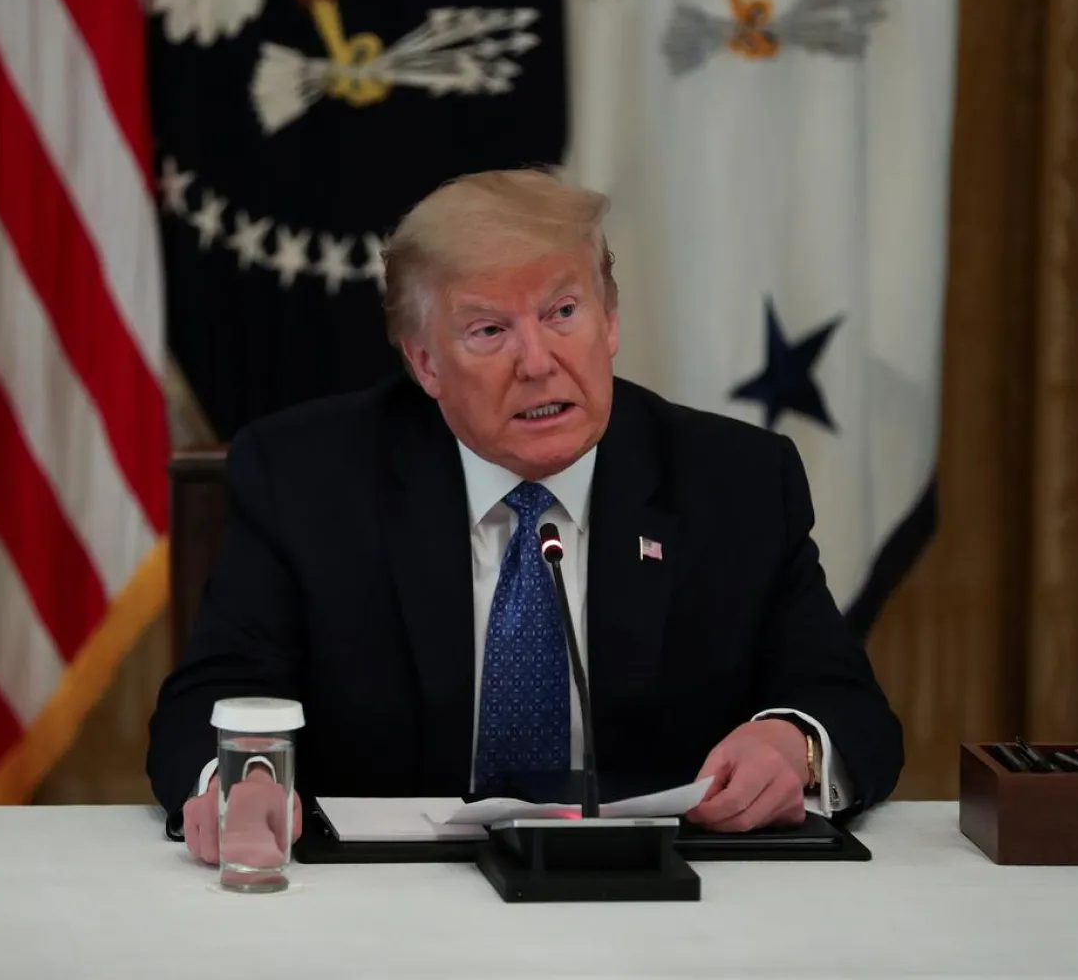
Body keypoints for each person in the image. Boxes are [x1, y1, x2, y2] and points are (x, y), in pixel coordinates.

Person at [148, 168, 904, 865]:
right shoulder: (307, 479)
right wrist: (240, 777)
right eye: (489, 331)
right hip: (385, 903)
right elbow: (206, 705)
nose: (538, 360)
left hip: (657, 908)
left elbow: (845, 705)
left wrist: (794, 743)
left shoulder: (732, 482)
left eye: (563, 312)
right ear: (425, 363)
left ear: (610, 321)